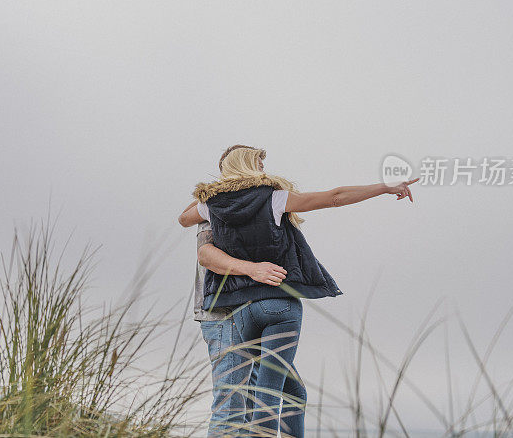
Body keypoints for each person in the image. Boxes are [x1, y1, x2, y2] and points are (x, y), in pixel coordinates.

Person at [179, 145, 418, 437]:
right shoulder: (274, 198)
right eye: (259, 163)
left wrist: (212, 192)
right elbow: (334, 197)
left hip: (240, 312)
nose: (264, 169)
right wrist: (383, 187)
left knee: (293, 391)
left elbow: (184, 218)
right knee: (267, 395)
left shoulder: (210, 206)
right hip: (279, 307)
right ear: (250, 166)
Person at [179, 204, 287, 437]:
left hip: (254, 313)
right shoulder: (219, 201)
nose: (260, 168)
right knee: (230, 410)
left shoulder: (255, 200)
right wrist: (253, 269)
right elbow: (205, 254)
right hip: (223, 314)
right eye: (256, 164)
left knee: (250, 407)